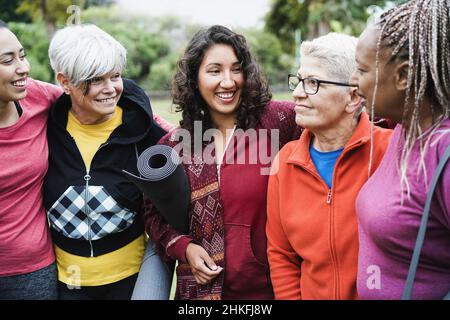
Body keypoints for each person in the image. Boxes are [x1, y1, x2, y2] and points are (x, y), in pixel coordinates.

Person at [145, 25, 301, 300]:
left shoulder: (279, 123)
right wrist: (184, 248)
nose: (228, 82)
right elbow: (152, 213)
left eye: (236, 69)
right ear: (194, 79)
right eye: (214, 71)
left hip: (266, 291)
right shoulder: (174, 146)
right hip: (199, 294)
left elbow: (332, 125)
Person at [44, 24, 172, 300]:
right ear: (65, 82)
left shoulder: (146, 133)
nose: (110, 89)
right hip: (68, 283)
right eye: (95, 79)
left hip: (131, 279)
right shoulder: (44, 128)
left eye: (115, 76)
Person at [266, 32, 393, 300]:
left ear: (354, 97)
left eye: (313, 83)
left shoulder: (392, 152)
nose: (298, 93)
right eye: (299, 80)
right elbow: (282, 255)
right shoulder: (285, 163)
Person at [353, 0, 450, 299]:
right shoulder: (405, 129)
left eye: (361, 70)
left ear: (404, 75)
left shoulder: (443, 153)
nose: (354, 83)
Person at [0, 20, 62, 299]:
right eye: (7, 60)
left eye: (22, 56)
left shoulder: (38, 97)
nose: (23, 68)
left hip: (32, 273)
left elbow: (95, 99)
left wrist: (181, 138)